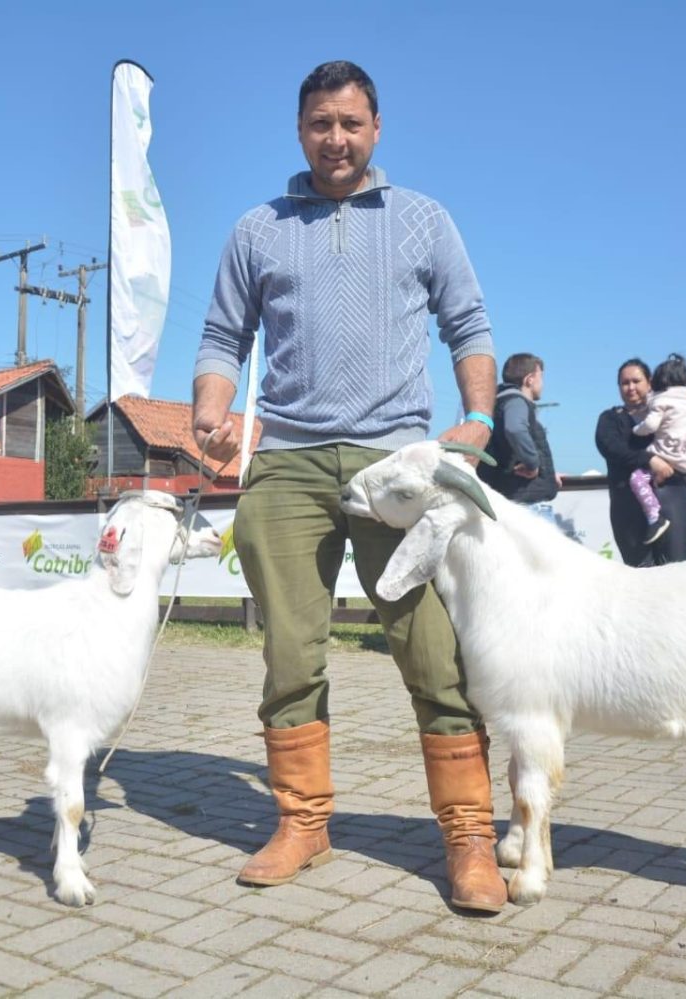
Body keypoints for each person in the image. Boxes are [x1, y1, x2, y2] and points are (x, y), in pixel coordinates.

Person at [192, 60, 506, 913]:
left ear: (376, 129)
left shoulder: (423, 220)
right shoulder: (258, 228)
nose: (336, 138)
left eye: (351, 124)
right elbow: (224, 334)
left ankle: (470, 834)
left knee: (432, 648)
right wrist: (211, 412)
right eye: (320, 124)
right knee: (290, 652)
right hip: (286, 460)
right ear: (300, 131)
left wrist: (477, 417)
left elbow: (468, 322)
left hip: (395, 466)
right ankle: (303, 821)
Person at [594, 359, 686, 567]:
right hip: (628, 509)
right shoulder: (610, 419)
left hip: (673, 500)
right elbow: (611, 448)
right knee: (640, 576)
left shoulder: (673, 410)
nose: (630, 387)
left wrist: (679, 463)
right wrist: (651, 460)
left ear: (649, 382)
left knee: (676, 574)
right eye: (624, 383)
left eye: (636, 381)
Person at [627, 353, 686, 542]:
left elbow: (651, 426)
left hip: (664, 453)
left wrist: (636, 430)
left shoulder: (661, 402)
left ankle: (655, 517)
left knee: (637, 479)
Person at [477, 353, 559, 503]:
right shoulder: (515, 401)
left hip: (516, 498)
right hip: (524, 501)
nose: (543, 384)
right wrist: (532, 464)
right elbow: (515, 429)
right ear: (529, 380)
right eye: (541, 377)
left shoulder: (499, 405)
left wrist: (550, 475)